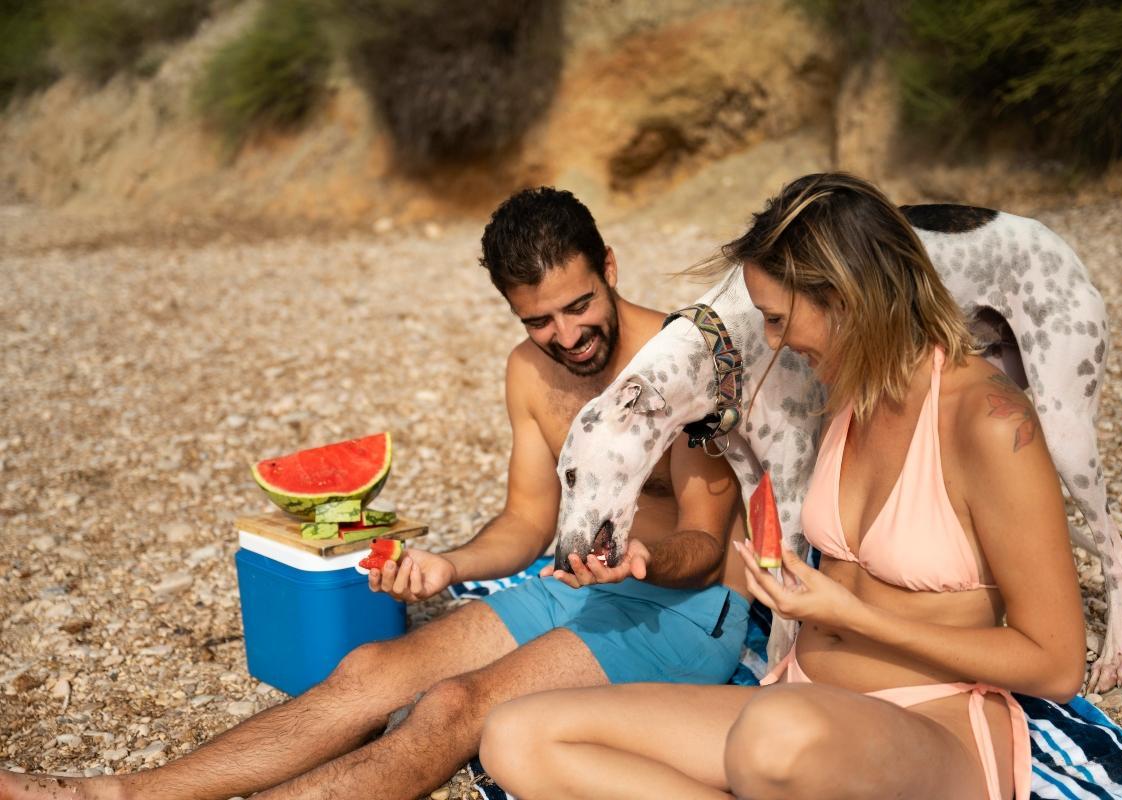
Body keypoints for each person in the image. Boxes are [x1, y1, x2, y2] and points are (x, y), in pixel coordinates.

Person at [0, 188, 749, 800]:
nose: (565, 334)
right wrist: (447, 567)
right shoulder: (529, 369)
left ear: (610, 267)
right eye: (538, 319)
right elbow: (527, 521)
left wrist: (645, 557)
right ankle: (116, 794)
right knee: (367, 672)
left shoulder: (683, 363)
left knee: (452, 707)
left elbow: (707, 545)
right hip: (573, 587)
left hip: (683, 608)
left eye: (578, 305)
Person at [478, 173, 1086, 800]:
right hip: (798, 704)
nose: (772, 343)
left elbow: (1058, 664)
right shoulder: (843, 393)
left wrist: (852, 616)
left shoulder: (990, 423)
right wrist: (649, 557)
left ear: (847, 299)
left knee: (773, 734)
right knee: (515, 734)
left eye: (775, 318)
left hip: (927, 723)